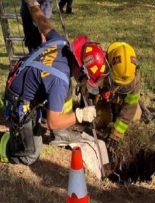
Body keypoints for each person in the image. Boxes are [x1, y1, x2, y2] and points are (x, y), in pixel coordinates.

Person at [0, 0, 96, 165]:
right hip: (17, 101)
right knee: (30, 154)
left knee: (35, 136)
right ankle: (6, 143)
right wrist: (80, 115)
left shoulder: (60, 41)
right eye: (87, 78)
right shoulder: (60, 80)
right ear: (80, 69)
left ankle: (26, 126)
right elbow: (53, 123)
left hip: (19, 81)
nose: (87, 82)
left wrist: (33, 5)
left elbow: (41, 21)